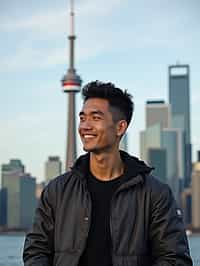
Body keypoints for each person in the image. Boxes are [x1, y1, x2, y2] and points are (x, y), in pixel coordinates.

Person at [23, 81, 193, 266]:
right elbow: (36, 250)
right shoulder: (57, 191)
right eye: (82, 118)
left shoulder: (155, 194)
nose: (85, 126)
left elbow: (174, 258)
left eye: (95, 118)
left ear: (120, 127)